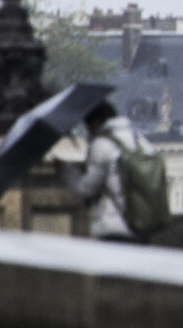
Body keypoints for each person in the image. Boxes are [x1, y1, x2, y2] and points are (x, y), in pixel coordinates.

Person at [62, 100, 150, 243]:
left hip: (114, 228)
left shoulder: (102, 144)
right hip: (143, 225)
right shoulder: (141, 141)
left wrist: (65, 170)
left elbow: (85, 189)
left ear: (95, 123)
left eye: (88, 127)